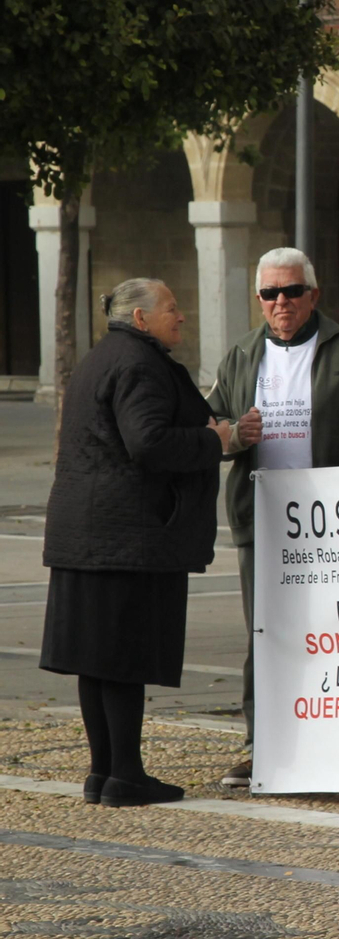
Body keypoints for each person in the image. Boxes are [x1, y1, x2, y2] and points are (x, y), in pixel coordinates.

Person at [40, 279, 229, 807]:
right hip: (126, 537)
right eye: (172, 308)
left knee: (95, 660)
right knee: (121, 657)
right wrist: (215, 440)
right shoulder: (140, 363)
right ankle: (124, 773)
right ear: (141, 319)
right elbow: (147, 441)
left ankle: (104, 773)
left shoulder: (103, 356)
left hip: (87, 533)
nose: (182, 316)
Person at [206, 247, 339, 790]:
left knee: (337, 633)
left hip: (334, 522)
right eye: (270, 294)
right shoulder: (241, 355)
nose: (282, 302)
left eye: (292, 291)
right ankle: (263, 747)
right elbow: (211, 426)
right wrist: (234, 435)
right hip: (263, 522)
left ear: (313, 295)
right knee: (267, 634)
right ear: (259, 301)